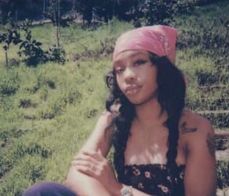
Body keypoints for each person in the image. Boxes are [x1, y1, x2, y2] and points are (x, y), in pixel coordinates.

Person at [23, 25, 217, 196]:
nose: (128, 76)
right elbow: (78, 174)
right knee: (42, 192)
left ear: (162, 68)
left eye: (139, 62)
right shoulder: (114, 122)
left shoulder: (195, 129)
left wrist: (118, 189)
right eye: (119, 69)